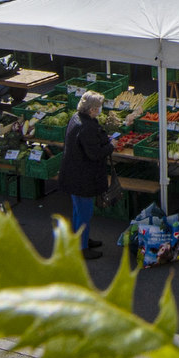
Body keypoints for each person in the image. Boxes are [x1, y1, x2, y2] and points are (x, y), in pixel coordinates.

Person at [59, 90, 112, 260]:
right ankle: (82, 248)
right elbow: (94, 153)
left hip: (73, 173)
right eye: (98, 107)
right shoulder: (87, 127)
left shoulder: (76, 119)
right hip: (82, 177)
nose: (99, 110)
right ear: (91, 110)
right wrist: (111, 146)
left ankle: (80, 240)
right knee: (84, 212)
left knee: (78, 210)